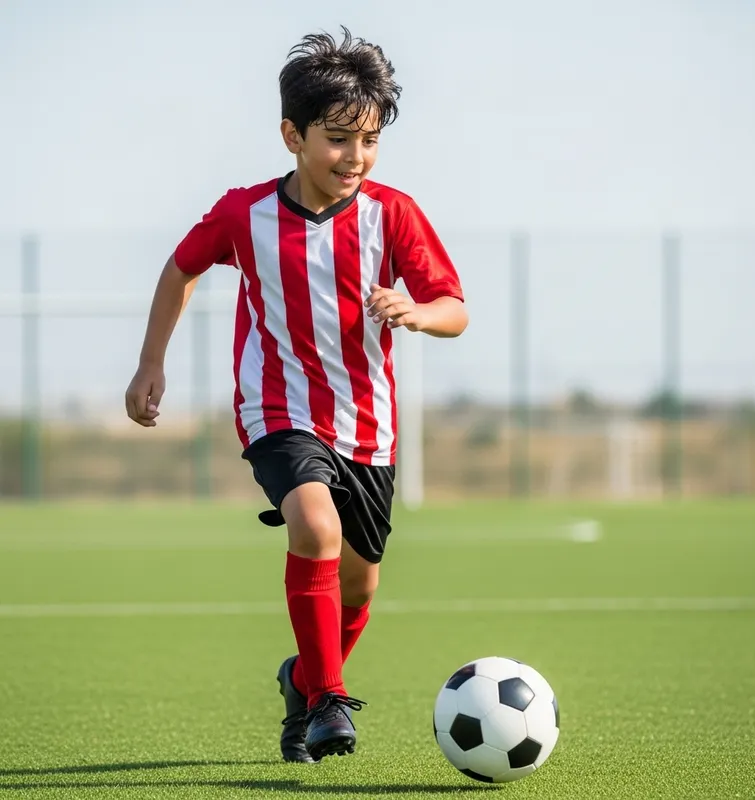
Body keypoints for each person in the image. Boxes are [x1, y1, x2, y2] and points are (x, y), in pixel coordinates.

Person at [124, 26, 468, 763]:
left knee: (361, 588)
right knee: (315, 529)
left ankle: (304, 681)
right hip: (277, 411)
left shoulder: (393, 215)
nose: (356, 157)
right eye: (339, 138)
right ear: (292, 135)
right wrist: (151, 363)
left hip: (368, 427)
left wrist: (417, 313)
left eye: (370, 141)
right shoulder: (243, 213)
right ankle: (329, 703)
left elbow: (454, 308)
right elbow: (180, 269)